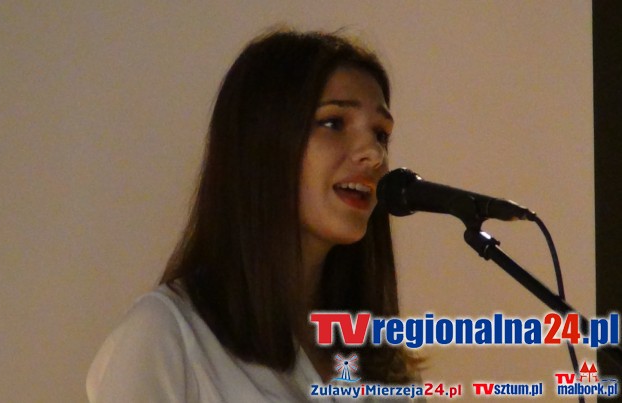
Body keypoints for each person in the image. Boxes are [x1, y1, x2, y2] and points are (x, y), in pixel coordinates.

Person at [87, 28, 419, 402]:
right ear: (262, 142)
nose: (373, 155)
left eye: (380, 134)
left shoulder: (383, 364)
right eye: (333, 123)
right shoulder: (167, 334)